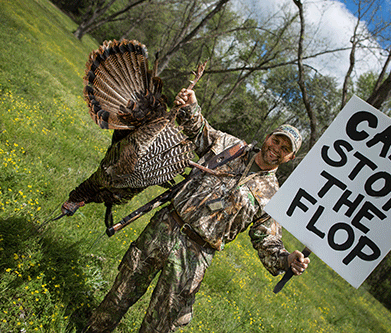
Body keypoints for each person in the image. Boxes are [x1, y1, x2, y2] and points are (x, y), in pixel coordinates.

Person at [84, 88, 310, 332]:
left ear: (291, 157)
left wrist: (287, 260)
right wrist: (191, 104)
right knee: (121, 292)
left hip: (196, 254)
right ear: (268, 137)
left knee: (161, 323)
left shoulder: (273, 196)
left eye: (285, 148)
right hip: (165, 226)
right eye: (276, 140)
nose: (277, 148)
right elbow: (200, 131)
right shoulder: (231, 146)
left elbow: (267, 238)